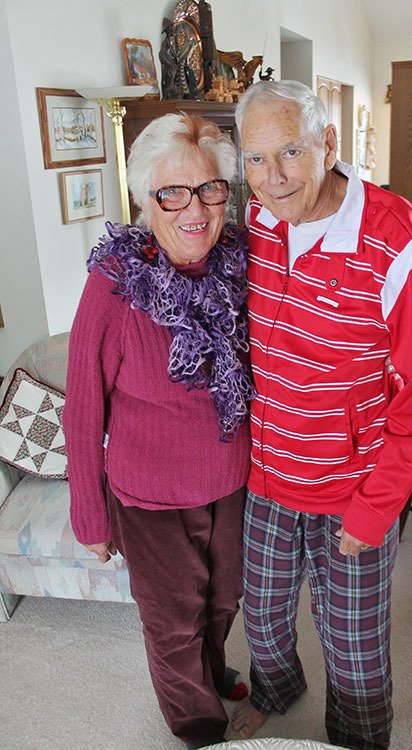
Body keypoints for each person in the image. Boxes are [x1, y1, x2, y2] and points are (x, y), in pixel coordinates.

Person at [231, 81, 412, 750]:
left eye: (291, 151)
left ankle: (357, 738)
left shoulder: (391, 231)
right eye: (255, 159)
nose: (273, 178)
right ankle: (277, 690)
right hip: (269, 477)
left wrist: (377, 506)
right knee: (263, 620)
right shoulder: (258, 218)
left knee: (353, 647)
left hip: (353, 488)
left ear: (329, 144)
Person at [63, 113, 255, 749]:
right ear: (146, 199)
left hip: (230, 479)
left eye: (210, 189)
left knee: (224, 600)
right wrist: (90, 516)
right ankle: (198, 727)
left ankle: (213, 668)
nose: (195, 209)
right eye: (173, 192)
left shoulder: (237, 265)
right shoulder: (114, 284)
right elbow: (84, 406)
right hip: (148, 498)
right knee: (172, 623)